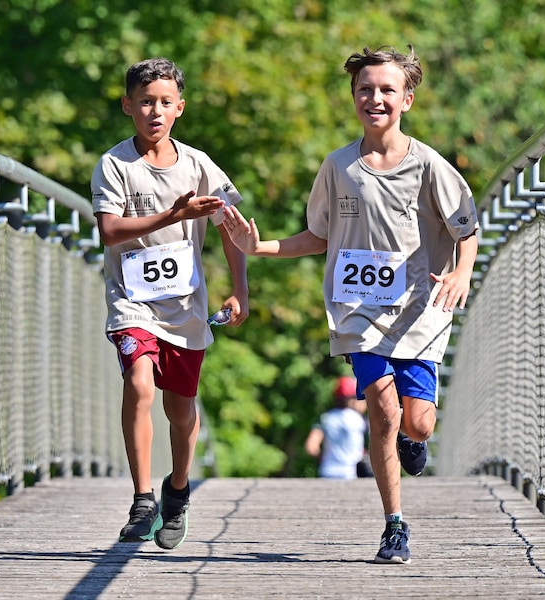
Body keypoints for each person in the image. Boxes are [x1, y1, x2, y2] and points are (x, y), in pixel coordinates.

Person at [222, 45, 479, 564]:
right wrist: (261, 247)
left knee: (418, 423)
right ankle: (394, 525)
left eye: (387, 90)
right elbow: (318, 235)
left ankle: (414, 439)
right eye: (365, 89)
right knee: (381, 408)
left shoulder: (430, 166)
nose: (375, 98)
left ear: (407, 98)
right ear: (353, 97)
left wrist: (461, 272)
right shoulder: (338, 166)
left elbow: (467, 229)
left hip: (420, 312)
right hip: (358, 310)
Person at [91, 57, 249, 550]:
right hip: (132, 302)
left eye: (164, 102)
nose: (154, 111)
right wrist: (171, 215)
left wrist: (240, 287)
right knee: (139, 382)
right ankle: (143, 499)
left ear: (179, 107)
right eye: (144, 102)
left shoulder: (199, 165)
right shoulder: (115, 164)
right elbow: (109, 230)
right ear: (127, 106)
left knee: (181, 410)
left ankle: (177, 490)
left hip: (185, 308)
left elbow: (231, 227)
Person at [305, 376, 369, 479]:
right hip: (352, 473)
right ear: (352, 399)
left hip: (327, 471)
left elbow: (311, 447)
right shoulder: (359, 420)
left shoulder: (325, 418)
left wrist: (324, 459)